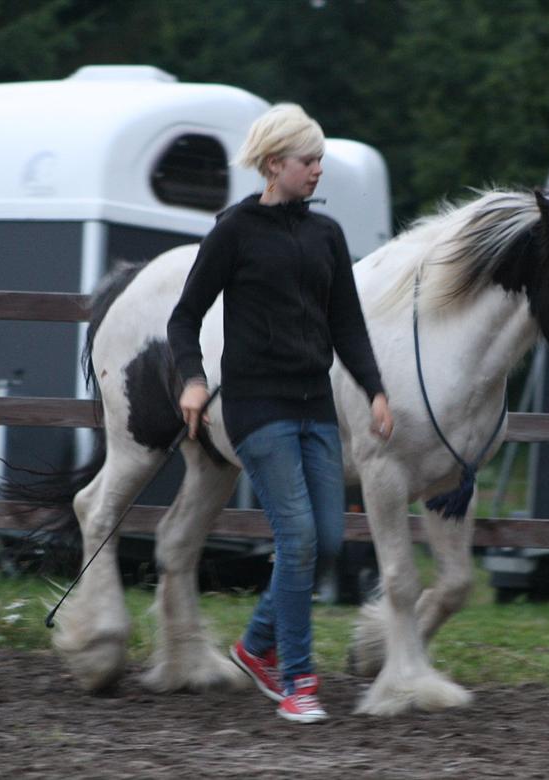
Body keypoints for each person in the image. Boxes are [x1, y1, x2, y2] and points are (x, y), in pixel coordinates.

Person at [167, 103, 393, 724]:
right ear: (274, 165)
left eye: (320, 159)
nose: (318, 170)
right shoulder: (234, 231)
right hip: (255, 408)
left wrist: (374, 389)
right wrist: (192, 380)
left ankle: (253, 646)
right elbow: (184, 318)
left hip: (316, 408)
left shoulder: (328, 235)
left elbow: (347, 322)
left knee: (324, 540)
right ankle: (298, 682)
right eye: (308, 160)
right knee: (295, 539)